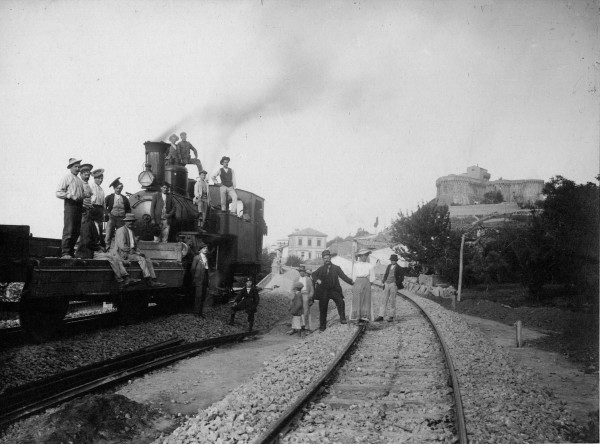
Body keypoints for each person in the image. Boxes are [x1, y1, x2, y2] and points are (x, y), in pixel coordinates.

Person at [76, 206, 139, 288]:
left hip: (96, 251)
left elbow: (101, 241)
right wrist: (99, 248)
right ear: (97, 215)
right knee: (111, 258)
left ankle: (126, 278)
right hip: (88, 252)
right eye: (102, 214)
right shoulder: (87, 225)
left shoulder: (97, 225)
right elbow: (87, 242)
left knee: (115, 257)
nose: (104, 216)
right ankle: (120, 280)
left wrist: (103, 248)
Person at [112, 213, 166, 288]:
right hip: (123, 254)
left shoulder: (131, 231)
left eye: (132, 221)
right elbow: (122, 246)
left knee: (147, 258)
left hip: (131, 253)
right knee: (141, 259)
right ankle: (148, 279)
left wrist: (139, 251)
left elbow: (134, 245)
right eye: (129, 221)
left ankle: (153, 279)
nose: (131, 223)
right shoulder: (121, 231)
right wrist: (135, 252)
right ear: (125, 222)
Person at [312, 249, 353, 332]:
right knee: (323, 308)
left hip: (334, 290)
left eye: (328, 258)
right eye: (325, 258)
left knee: (341, 302)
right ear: (323, 259)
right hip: (324, 291)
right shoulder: (321, 269)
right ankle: (322, 327)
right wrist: (318, 280)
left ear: (330, 258)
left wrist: (352, 282)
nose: (327, 260)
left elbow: (343, 276)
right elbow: (313, 274)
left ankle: (343, 319)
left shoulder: (336, 268)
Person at [56, 158, 85, 258]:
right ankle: (65, 252)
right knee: (69, 228)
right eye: (75, 167)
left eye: (79, 167)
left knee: (76, 230)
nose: (77, 169)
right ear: (70, 168)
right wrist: (71, 196)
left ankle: (71, 252)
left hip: (79, 206)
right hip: (70, 205)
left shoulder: (80, 181)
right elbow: (58, 192)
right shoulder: (67, 178)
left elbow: (81, 195)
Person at [375, 254, 404, 322]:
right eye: (391, 260)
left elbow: (402, 278)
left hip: (393, 285)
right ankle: (381, 316)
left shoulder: (399, 268)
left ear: (396, 260)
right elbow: (386, 274)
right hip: (387, 284)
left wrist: (396, 283)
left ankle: (391, 316)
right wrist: (384, 281)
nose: (392, 261)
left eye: (394, 260)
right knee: (384, 300)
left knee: (392, 300)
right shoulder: (389, 266)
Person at [350, 249, 376, 323]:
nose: (364, 257)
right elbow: (354, 275)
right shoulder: (356, 265)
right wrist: (354, 284)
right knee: (357, 298)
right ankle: (357, 316)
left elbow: (372, 276)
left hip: (366, 281)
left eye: (365, 256)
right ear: (360, 256)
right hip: (357, 282)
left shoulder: (369, 265)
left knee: (366, 299)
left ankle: (365, 316)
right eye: (362, 256)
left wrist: (370, 283)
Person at [104, 178, 131, 247]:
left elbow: (128, 209)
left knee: (121, 234)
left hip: (121, 218)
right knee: (109, 233)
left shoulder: (125, 198)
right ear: (114, 188)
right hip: (112, 217)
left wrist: (127, 216)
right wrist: (107, 213)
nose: (119, 190)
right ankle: (107, 246)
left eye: (120, 188)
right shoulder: (109, 197)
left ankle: (120, 247)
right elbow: (104, 206)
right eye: (117, 188)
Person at [191, 242, 210, 317]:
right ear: (200, 250)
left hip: (205, 279)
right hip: (198, 279)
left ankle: (200, 313)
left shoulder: (206, 258)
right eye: (204, 248)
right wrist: (195, 278)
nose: (206, 250)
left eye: (206, 248)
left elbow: (207, 269)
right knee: (198, 296)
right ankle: (196, 313)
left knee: (203, 296)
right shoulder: (197, 258)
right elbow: (192, 269)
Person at [294, 265, 314, 331]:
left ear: (304, 272)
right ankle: (298, 327)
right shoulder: (296, 279)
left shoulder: (308, 279)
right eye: (300, 271)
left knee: (306, 312)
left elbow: (312, 289)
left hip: (306, 295)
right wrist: (294, 295)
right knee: (297, 312)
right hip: (298, 295)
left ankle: (307, 327)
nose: (301, 273)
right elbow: (292, 288)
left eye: (302, 271)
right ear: (299, 272)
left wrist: (310, 296)